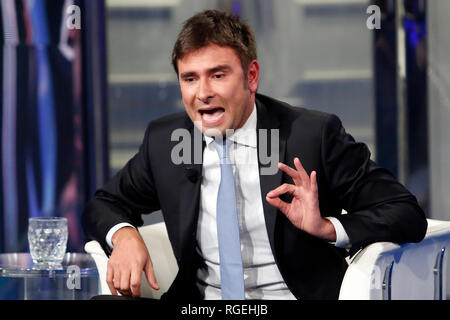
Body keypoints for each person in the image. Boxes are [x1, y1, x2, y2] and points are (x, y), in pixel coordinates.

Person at [82, 9, 427, 300]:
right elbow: (104, 203)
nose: (202, 93)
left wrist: (326, 227)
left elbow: (405, 212)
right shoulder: (167, 141)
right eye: (189, 79)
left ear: (251, 76)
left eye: (218, 75)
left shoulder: (310, 136)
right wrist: (125, 235)